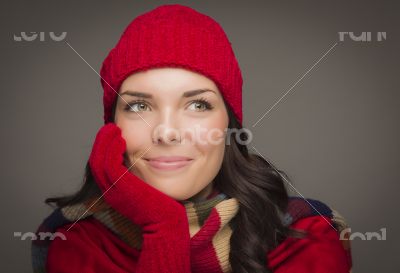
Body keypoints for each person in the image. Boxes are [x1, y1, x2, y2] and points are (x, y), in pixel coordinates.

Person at [31, 4, 352, 273]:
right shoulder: (74, 242)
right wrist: (164, 229)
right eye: (139, 105)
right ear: (112, 127)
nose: (167, 131)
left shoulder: (309, 237)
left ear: (229, 123)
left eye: (198, 105)